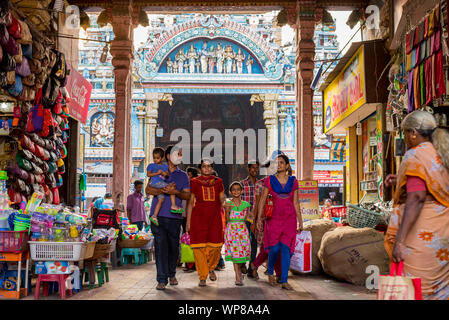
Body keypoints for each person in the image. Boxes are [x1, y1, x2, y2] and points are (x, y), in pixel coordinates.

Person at [384, 110, 449, 300]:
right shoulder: (440, 152)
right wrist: (400, 179)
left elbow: (417, 198)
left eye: (405, 133)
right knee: (440, 291)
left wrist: (400, 240)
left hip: (422, 236)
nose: (404, 138)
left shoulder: (415, 155)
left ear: (413, 133)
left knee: (416, 289)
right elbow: (431, 183)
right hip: (443, 233)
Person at [146, 146, 191, 291]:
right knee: (160, 247)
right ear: (167, 156)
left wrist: (175, 192)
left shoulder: (183, 175)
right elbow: (148, 190)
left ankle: (171, 273)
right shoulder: (158, 171)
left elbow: (187, 195)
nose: (179, 157)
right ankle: (161, 279)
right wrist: (163, 190)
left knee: (173, 247)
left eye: (180, 155)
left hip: (175, 218)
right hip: (157, 217)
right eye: (177, 154)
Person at [258, 154, 303, 290]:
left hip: (289, 220)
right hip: (274, 219)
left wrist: (300, 221)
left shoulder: (294, 181)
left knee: (285, 249)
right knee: (274, 248)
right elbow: (263, 200)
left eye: (282, 162)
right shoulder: (269, 180)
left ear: (287, 165)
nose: (279, 165)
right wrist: (260, 218)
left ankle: (284, 280)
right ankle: (270, 270)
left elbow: (296, 203)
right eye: (277, 163)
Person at [186, 159, 226, 287]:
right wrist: (188, 222)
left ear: (212, 168)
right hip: (198, 219)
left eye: (209, 166)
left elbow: (222, 198)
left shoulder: (218, 182)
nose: (207, 169)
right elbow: (191, 202)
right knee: (199, 248)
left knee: (216, 246)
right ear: (200, 169)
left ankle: (210, 267)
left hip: (215, 218)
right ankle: (202, 276)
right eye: (204, 166)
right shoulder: (194, 182)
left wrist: (227, 205)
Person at [250, 160, 282, 281]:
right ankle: (275, 273)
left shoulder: (282, 182)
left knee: (278, 247)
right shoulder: (260, 184)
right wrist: (255, 221)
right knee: (266, 247)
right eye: (271, 167)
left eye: (276, 167)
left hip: (279, 219)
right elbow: (257, 203)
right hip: (264, 220)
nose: (274, 169)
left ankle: (257, 266)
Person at [147, 147, 184, 226]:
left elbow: (167, 174)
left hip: (160, 183)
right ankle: (173, 206)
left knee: (161, 200)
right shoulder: (151, 165)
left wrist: (164, 173)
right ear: (168, 156)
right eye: (154, 158)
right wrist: (157, 173)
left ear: (162, 158)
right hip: (155, 183)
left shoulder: (164, 166)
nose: (155, 160)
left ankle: (154, 216)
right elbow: (148, 174)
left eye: (157, 158)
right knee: (172, 187)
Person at [224, 181, 251, 286]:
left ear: (242, 191)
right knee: (236, 254)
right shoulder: (228, 203)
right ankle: (237, 276)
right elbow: (227, 220)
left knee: (242, 253)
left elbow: (246, 218)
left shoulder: (245, 205)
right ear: (230, 192)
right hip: (231, 231)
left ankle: (239, 270)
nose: (236, 191)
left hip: (242, 231)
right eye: (233, 190)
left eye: (238, 189)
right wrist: (227, 211)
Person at [240, 160, 260, 276]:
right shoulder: (242, 184)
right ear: (248, 169)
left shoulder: (260, 184)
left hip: (256, 219)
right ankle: (242, 262)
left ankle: (251, 267)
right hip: (244, 218)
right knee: (244, 242)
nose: (255, 170)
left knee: (254, 243)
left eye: (257, 168)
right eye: (252, 168)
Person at [182, 167, 199, 273]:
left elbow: (191, 203)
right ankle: (190, 263)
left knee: (193, 241)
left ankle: (192, 264)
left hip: (194, 216)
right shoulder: (186, 185)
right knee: (188, 240)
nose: (187, 177)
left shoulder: (194, 185)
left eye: (189, 174)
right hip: (186, 216)